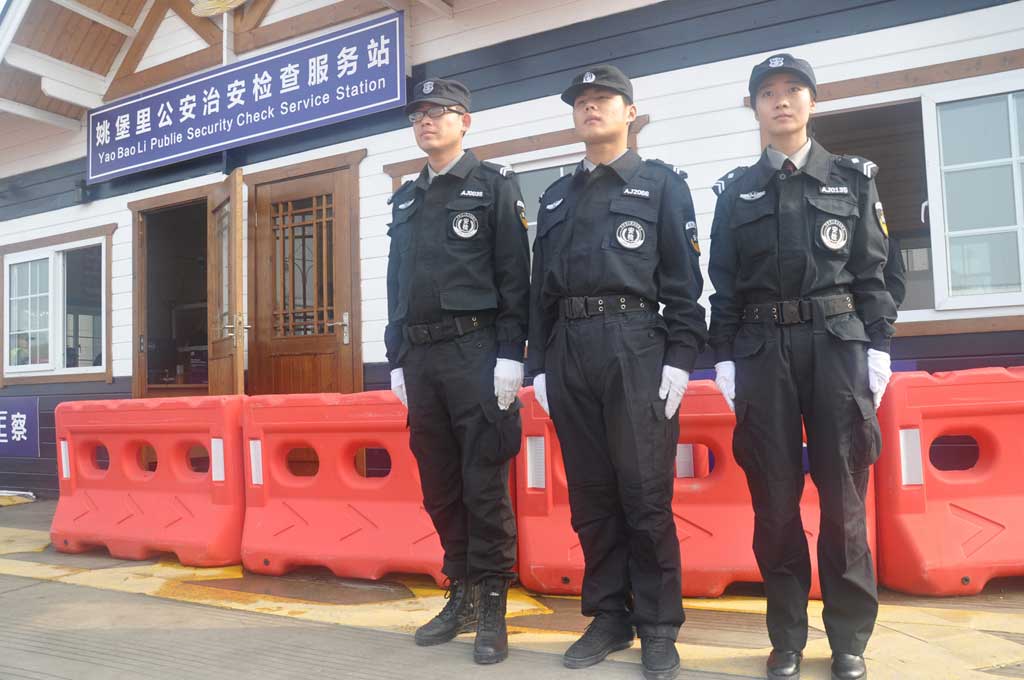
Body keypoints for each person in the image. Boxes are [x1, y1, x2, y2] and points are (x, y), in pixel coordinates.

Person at [708, 54, 897, 680]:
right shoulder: (736, 191)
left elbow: (874, 273)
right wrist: (724, 356)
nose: (781, 100)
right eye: (768, 92)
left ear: (813, 101)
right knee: (775, 502)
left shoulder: (852, 180)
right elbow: (725, 284)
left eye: (793, 89)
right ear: (755, 108)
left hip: (837, 346)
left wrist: (878, 347)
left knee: (844, 500)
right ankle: (786, 637)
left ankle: (849, 640)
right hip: (762, 353)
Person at [527, 64, 707, 680]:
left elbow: (684, 285)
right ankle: (608, 615)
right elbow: (539, 291)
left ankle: (658, 624)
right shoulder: (556, 195)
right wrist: (539, 364)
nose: (590, 107)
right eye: (581, 101)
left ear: (630, 112)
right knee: (591, 495)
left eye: (603, 99)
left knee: (644, 493)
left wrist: (680, 358)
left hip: (635, 346)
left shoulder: (662, 186)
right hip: (568, 350)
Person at [385, 78, 531, 665]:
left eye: (439, 112)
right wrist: (396, 356)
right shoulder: (405, 199)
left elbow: (515, 275)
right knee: (440, 484)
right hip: (421, 359)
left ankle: (493, 601)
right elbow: (396, 284)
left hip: (476, 353)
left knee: (483, 483)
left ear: (464, 121)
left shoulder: (493, 186)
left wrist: (511, 353)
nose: (426, 121)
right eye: (418, 114)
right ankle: (462, 593)